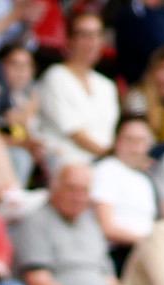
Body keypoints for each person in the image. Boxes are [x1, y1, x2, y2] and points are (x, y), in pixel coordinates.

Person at [31, 7, 119, 174]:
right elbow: (75, 133)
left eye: (97, 35)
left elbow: (108, 134)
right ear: (70, 40)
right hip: (67, 163)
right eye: (84, 35)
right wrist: (112, 157)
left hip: (104, 163)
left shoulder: (107, 85)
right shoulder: (55, 76)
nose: (92, 42)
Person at [90, 116, 159, 253]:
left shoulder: (146, 180)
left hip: (145, 251)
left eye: (141, 141)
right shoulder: (106, 169)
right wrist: (148, 243)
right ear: (117, 141)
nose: (135, 146)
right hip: (116, 250)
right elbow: (106, 227)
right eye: (129, 139)